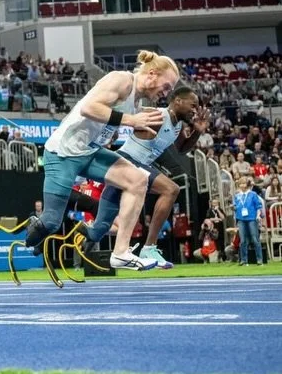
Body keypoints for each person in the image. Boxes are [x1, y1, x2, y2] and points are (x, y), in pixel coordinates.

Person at [25, 51, 179, 270]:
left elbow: (107, 120)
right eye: (167, 86)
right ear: (152, 74)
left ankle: (121, 253)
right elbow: (89, 108)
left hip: (89, 152)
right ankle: (32, 230)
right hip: (63, 154)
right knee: (50, 222)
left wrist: (113, 130)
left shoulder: (136, 101)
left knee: (137, 180)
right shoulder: (122, 80)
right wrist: (130, 120)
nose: (166, 93)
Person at [79, 86, 207, 268]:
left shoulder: (177, 125)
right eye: (193, 105)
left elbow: (181, 149)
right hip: (126, 161)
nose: (195, 110)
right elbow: (131, 115)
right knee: (171, 189)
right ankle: (149, 247)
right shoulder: (157, 115)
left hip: (132, 167)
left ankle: (84, 230)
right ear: (178, 101)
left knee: (98, 230)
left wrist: (197, 131)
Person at [233, 177, 265, 266]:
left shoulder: (253, 194)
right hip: (241, 219)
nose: (242, 185)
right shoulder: (237, 196)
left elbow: (258, 206)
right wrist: (233, 208)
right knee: (243, 240)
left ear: (247, 185)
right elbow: (235, 208)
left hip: (251, 218)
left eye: (244, 183)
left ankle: (259, 259)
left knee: (255, 239)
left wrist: (258, 216)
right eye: (241, 183)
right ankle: (244, 260)